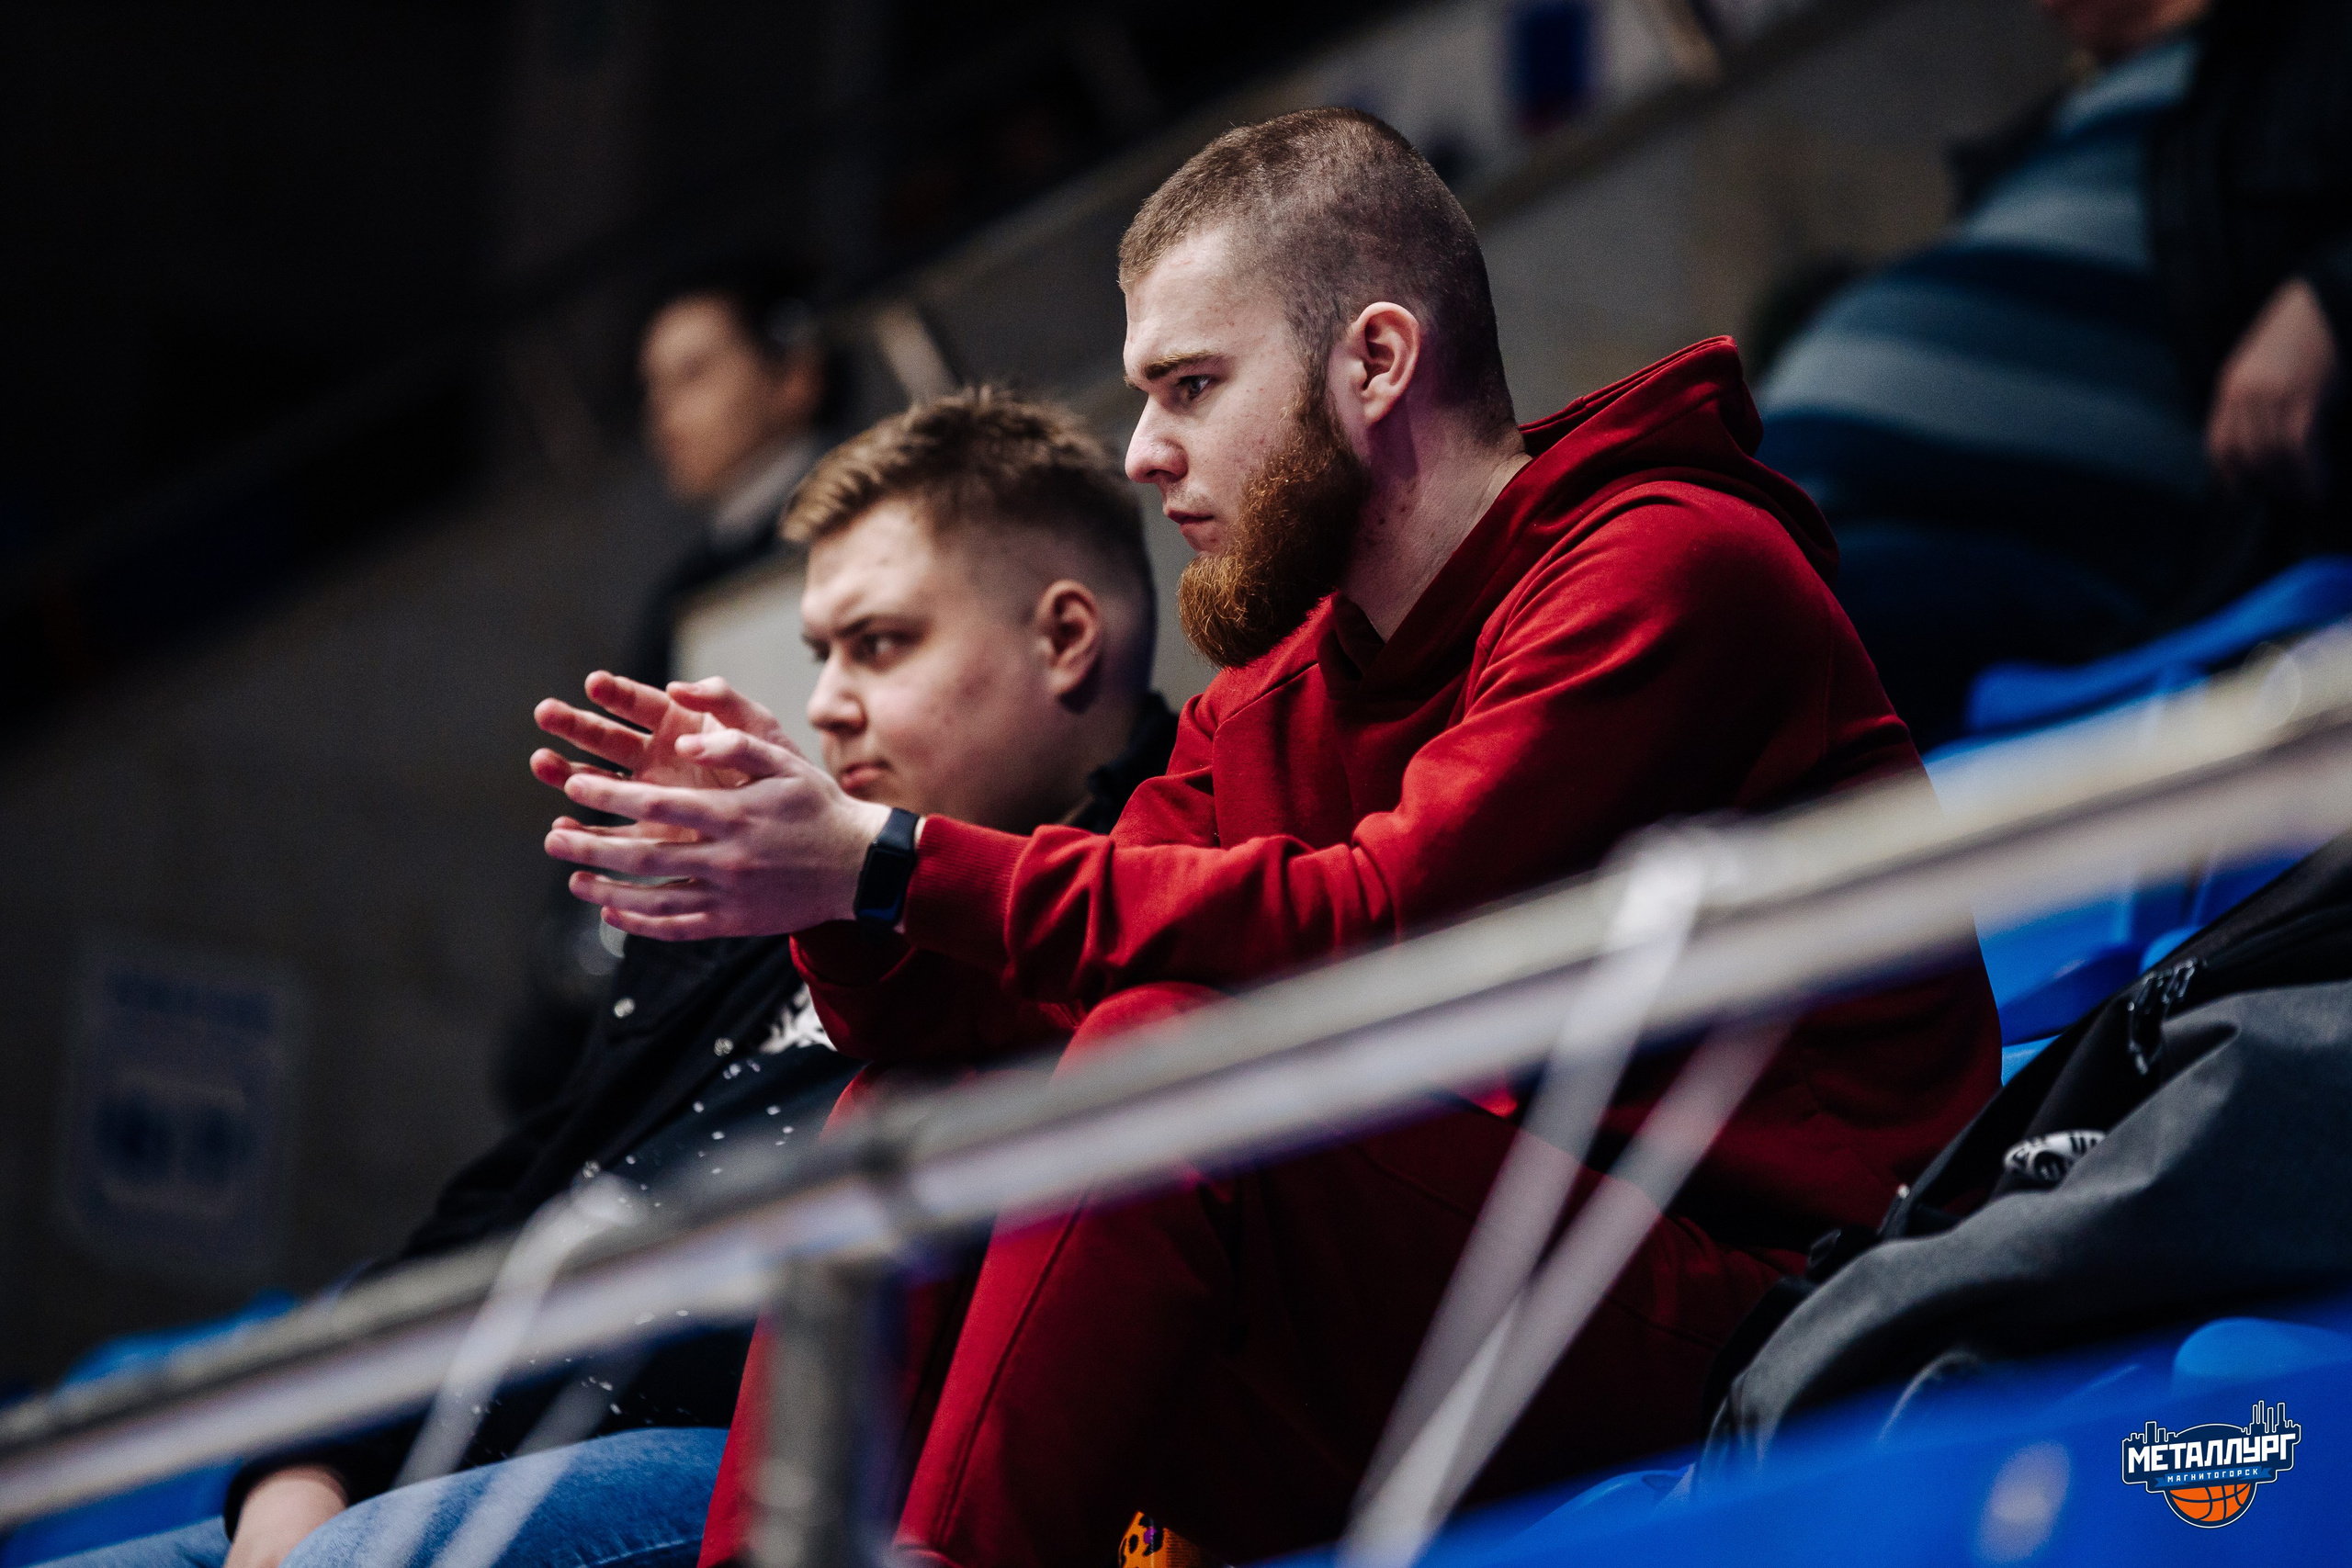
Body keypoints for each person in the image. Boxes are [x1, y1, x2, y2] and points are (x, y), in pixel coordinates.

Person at [538, 108, 1999, 1567]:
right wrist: (799, 862)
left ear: (1373, 362)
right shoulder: (1278, 691)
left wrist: (882, 853)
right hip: (1449, 1285)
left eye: (1188, 386)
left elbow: (1387, 919)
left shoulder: (1669, 564)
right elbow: (957, 1016)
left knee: (1169, 1053)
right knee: (918, 1106)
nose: (1142, 452)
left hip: (1763, 1310)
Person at [58, 390, 1175, 1568]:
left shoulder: (1154, 890)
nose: (831, 701)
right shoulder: (764, 898)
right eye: (820, 653)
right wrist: (304, 1466)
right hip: (453, 1452)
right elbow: (502, 1207)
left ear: (1062, 641)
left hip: (754, 1467)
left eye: (881, 643)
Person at [1756, 0, 2351, 745]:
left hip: (2075, 565)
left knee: (1737, 628)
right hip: (1837, 515)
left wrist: (2331, 298)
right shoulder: (2051, 128)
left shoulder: (2309, 47)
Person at [501, 262, 852, 1123]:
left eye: (695, 373)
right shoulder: (695, 576)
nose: (664, 411)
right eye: (653, 385)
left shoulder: (854, 540)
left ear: (795, 375)